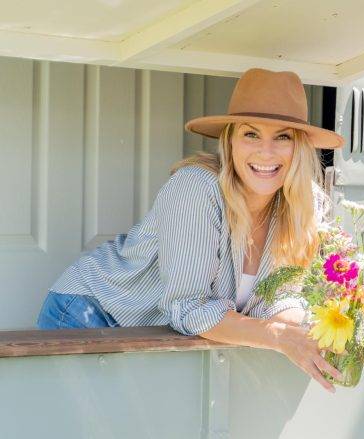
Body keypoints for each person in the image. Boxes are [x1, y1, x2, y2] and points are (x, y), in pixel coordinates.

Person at [36, 68, 345, 392]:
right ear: (230, 141)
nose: (265, 152)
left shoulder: (304, 207)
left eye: (282, 136)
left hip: (153, 332)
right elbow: (189, 307)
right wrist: (279, 337)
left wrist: (317, 334)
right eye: (251, 134)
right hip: (92, 314)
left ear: (299, 147)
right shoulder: (197, 189)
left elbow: (279, 299)